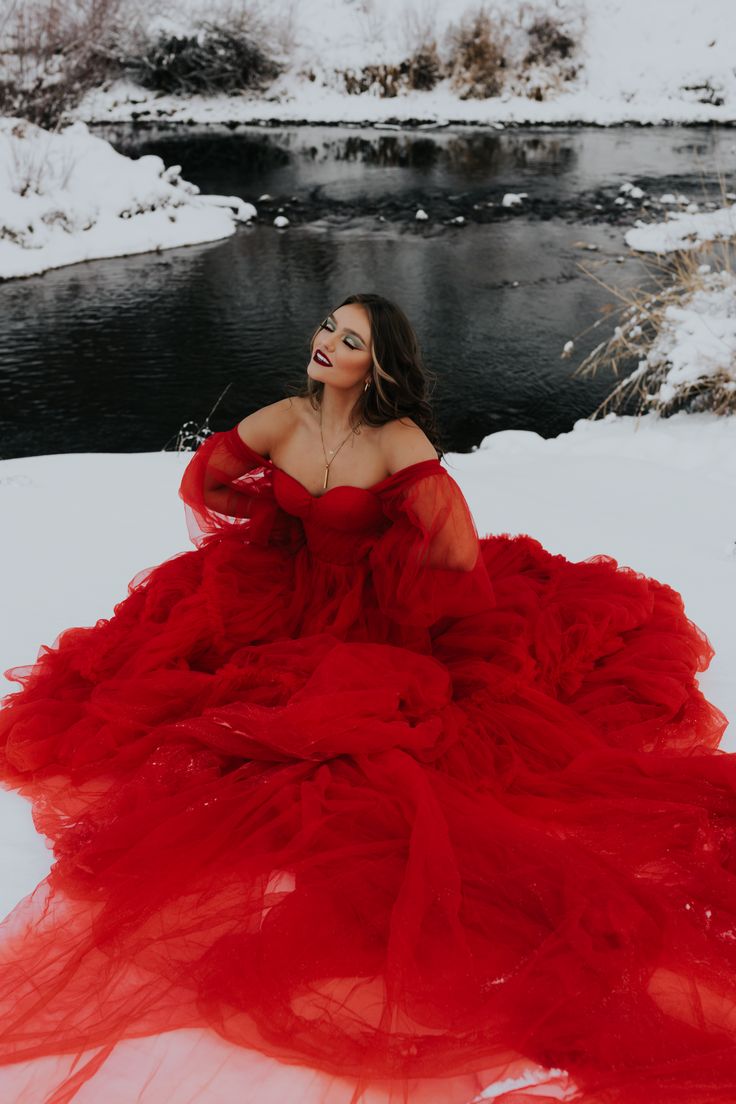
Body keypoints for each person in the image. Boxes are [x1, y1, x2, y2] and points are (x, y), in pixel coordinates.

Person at [0, 291, 735, 1104]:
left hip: (377, 617)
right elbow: (208, 479)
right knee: (182, 695)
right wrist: (275, 531)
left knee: (359, 730)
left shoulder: (397, 441)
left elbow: (454, 554)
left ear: (376, 364)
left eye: (348, 339)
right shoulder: (282, 417)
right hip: (282, 596)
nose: (325, 343)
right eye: (325, 326)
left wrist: (387, 579)